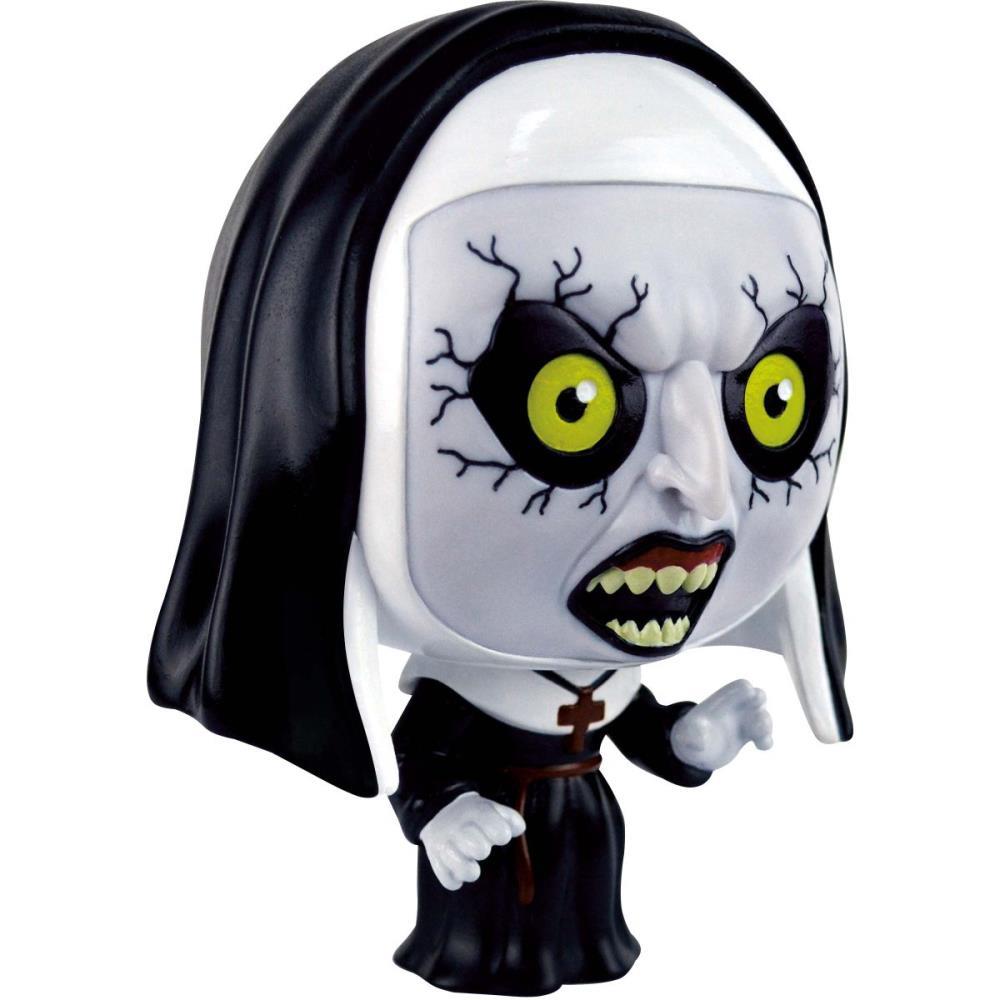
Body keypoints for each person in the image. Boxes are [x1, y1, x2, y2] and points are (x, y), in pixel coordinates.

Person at [149, 5, 851, 994]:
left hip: (585, 840)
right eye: (571, 402)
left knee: (587, 911)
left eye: (773, 400)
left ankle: (589, 946)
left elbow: (640, 731)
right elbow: (423, 759)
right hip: (489, 866)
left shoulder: (610, 676)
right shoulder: (466, 696)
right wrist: (438, 817)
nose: (703, 487)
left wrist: (694, 740)